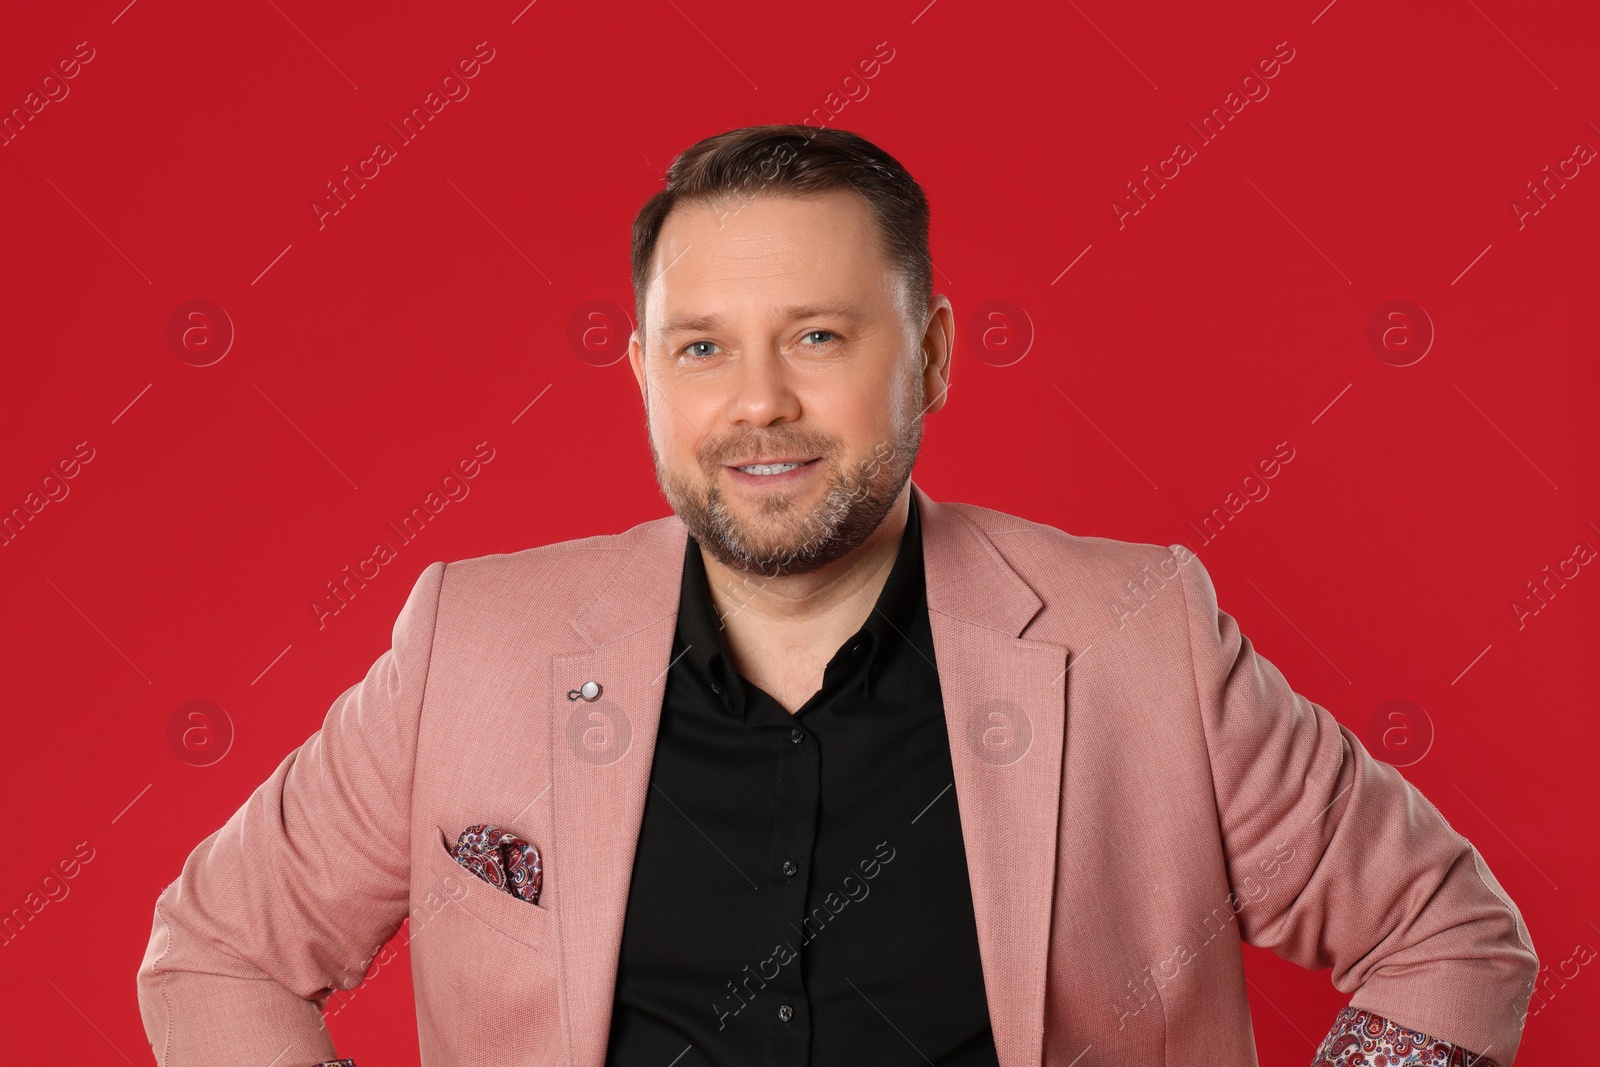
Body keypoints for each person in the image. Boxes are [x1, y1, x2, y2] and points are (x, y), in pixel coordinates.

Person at [136, 125, 1538, 1066]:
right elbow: (217, 956)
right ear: (642, 376)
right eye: (701, 348)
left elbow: (1449, 940)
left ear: (927, 356)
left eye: (817, 335)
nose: (758, 403)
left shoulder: (1139, 636)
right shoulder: (471, 645)